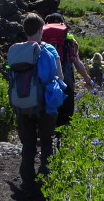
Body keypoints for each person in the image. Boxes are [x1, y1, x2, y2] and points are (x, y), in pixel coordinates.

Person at [8, 12, 63, 190]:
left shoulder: (16, 50)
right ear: (41, 30)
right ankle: (45, 178)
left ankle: (27, 180)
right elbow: (60, 77)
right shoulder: (49, 50)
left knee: (28, 144)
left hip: (22, 102)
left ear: (25, 30)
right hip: (45, 104)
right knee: (46, 141)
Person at [43, 12, 94, 136]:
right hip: (66, 83)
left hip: (46, 83)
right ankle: (63, 140)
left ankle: (46, 138)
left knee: (47, 114)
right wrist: (88, 79)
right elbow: (77, 62)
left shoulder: (41, 40)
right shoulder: (69, 41)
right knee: (65, 118)